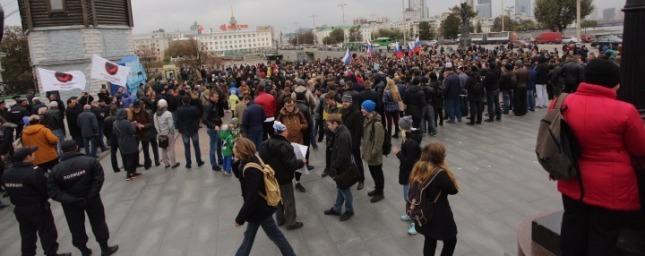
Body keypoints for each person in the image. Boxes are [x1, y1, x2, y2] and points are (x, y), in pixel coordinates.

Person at [556, 59, 645, 256]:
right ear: (615, 82)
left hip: (572, 178)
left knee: (573, 225)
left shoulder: (561, 103)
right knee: (603, 234)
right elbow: (640, 148)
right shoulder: (625, 111)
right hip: (610, 186)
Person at [48, 140, 119, 256]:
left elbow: (53, 191)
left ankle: (84, 250)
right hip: (92, 200)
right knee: (98, 222)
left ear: (61, 151)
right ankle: (104, 248)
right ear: (77, 147)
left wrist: (70, 199)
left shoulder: (56, 170)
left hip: (70, 204)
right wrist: (91, 195)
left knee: (75, 226)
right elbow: (99, 179)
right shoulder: (90, 161)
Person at [2, 147, 72, 256]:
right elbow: (45, 190)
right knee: (47, 233)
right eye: (32, 154)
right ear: (27, 157)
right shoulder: (35, 172)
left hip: (20, 209)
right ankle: (51, 254)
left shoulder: (7, 173)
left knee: (27, 236)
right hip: (38, 208)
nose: (34, 155)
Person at [232, 137, 296, 256]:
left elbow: (251, 197)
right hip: (258, 209)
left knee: (274, 236)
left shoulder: (251, 169)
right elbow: (239, 176)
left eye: (235, 147)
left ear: (241, 150)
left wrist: (240, 218)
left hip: (259, 210)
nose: (233, 149)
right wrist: (235, 162)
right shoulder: (252, 158)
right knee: (250, 237)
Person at [410, 143, 459, 256]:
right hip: (439, 214)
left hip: (424, 212)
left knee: (430, 240)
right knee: (451, 240)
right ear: (439, 157)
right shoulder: (439, 174)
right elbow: (453, 190)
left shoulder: (418, 168)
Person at [259, 121, 306, 230]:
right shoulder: (285, 145)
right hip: (284, 178)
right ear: (282, 132)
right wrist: (301, 162)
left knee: (278, 200)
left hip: (272, 177)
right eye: (286, 130)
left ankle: (280, 219)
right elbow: (291, 164)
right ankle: (291, 222)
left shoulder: (264, 144)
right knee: (288, 200)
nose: (287, 132)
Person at [393, 116, 422, 235]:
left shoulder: (411, 143)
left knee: (411, 198)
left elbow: (409, 161)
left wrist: (398, 153)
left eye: (399, 126)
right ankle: (410, 214)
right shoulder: (408, 137)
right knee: (409, 197)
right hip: (408, 173)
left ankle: (416, 223)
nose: (398, 128)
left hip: (411, 175)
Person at [323, 113, 355, 221]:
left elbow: (343, 155)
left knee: (345, 190)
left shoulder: (343, 135)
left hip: (342, 169)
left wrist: (334, 167)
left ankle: (349, 210)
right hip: (340, 168)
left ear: (335, 124)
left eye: (329, 125)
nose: (328, 127)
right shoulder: (339, 131)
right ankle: (337, 208)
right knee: (340, 189)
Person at [276, 97, 309, 192]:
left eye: (291, 105)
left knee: (300, 163)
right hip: (287, 143)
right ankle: (288, 182)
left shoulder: (298, 113)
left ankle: (298, 182)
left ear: (294, 105)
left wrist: (300, 126)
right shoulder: (281, 115)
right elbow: (276, 128)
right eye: (288, 106)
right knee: (288, 163)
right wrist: (282, 131)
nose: (290, 108)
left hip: (299, 141)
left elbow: (306, 124)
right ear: (285, 106)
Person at [360, 100, 386, 203]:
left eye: (363, 108)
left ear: (369, 109)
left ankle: (380, 193)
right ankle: (377, 189)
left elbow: (378, 142)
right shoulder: (367, 119)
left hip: (374, 154)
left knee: (377, 173)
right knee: (373, 172)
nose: (361, 110)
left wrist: (372, 153)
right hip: (368, 151)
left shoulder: (377, 124)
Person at [340, 93, 365, 190]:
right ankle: (351, 177)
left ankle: (361, 179)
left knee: (357, 161)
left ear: (350, 102)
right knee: (347, 161)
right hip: (345, 140)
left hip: (353, 142)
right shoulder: (343, 111)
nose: (344, 103)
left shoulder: (356, 113)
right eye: (343, 101)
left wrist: (355, 144)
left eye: (346, 102)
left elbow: (358, 131)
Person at [176, 96, 205, 169]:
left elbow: (177, 120)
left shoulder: (179, 109)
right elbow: (198, 116)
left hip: (184, 130)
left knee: (186, 147)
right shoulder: (194, 108)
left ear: (182, 101)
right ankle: (199, 161)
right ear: (189, 101)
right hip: (193, 129)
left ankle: (188, 163)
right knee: (196, 146)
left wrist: (178, 128)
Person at [113, 109, 142, 181]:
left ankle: (132, 172)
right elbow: (132, 131)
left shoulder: (115, 123)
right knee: (132, 157)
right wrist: (134, 125)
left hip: (121, 142)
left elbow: (115, 133)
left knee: (127, 157)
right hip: (129, 141)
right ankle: (129, 174)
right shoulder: (126, 122)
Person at [131, 100, 160, 169]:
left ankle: (157, 161)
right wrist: (135, 124)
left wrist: (143, 126)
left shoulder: (147, 112)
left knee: (154, 147)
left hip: (151, 132)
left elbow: (151, 123)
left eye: (137, 108)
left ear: (140, 107)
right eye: (135, 109)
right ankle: (147, 163)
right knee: (145, 149)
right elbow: (132, 121)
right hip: (142, 134)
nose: (136, 110)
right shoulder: (133, 114)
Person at [154, 99, 180, 169]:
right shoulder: (168, 113)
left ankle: (166, 163)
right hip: (168, 134)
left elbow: (156, 125)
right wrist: (172, 133)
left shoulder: (155, 114)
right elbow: (171, 125)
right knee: (171, 148)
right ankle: (173, 163)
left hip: (160, 134)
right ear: (165, 105)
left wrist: (159, 133)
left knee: (163, 149)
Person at [203, 91, 225, 172]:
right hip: (212, 129)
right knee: (213, 147)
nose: (217, 98)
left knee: (219, 144)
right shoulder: (208, 105)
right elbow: (204, 119)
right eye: (216, 97)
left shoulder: (213, 104)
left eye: (218, 97)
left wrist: (220, 122)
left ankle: (220, 159)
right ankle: (214, 164)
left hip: (216, 127)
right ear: (211, 97)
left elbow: (215, 115)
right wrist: (214, 126)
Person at [103, 106, 120, 173]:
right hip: (119, 137)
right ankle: (125, 165)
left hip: (111, 138)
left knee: (113, 154)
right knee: (122, 152)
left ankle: (115, 168)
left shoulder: (106, 119)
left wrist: (108, 137)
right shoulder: (118, 118)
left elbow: (104, 131)